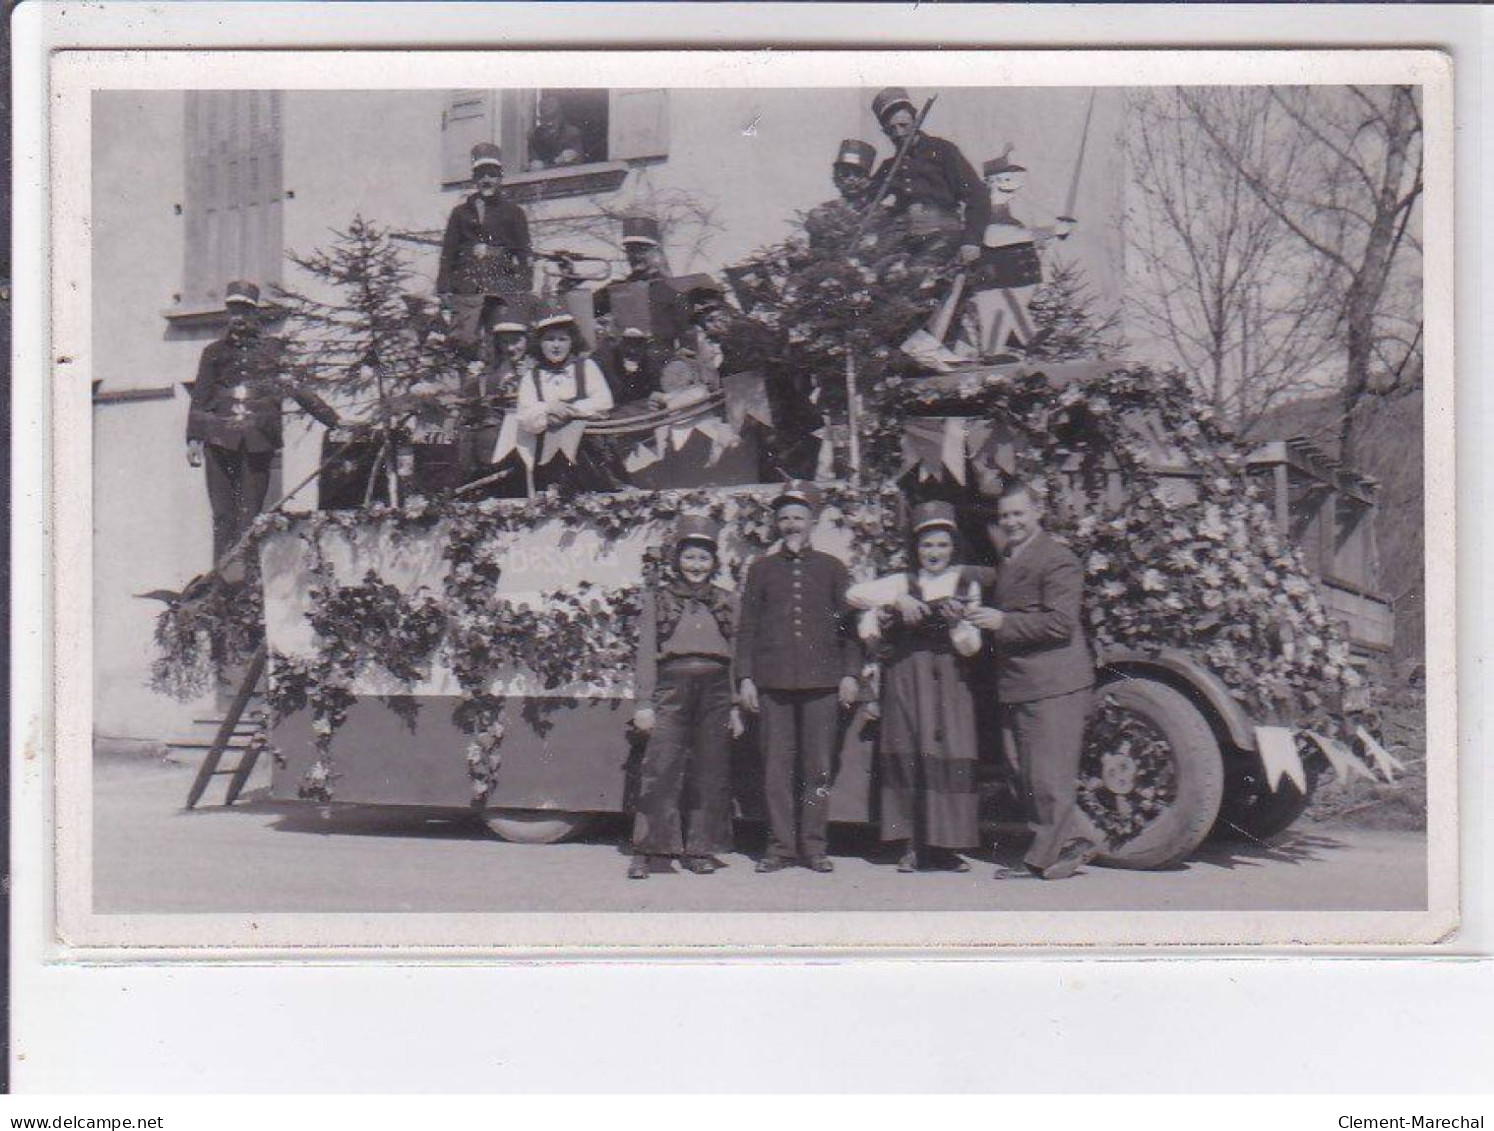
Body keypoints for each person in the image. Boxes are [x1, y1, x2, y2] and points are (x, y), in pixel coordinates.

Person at [967, 479, 1104, 881]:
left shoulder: (1058, 559)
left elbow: (1061, 624)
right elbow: (1001, 581)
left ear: (1037, 512)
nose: (1011, 522)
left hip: (1053, 682)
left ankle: (1047, 856)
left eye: (1018, 514)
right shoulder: (1011, 557)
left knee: (1045, 774)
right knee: (1021, 771)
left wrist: (1002, 622)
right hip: (1021, 682)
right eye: (1005, 515)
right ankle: (1077, 839)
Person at [847, 501, 984, 872]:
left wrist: (958, 625)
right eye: (926, 545)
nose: (934, 553)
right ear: (916, 548)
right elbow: (853, 595)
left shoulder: (966, 584)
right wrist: (896, 599)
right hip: (907, 677)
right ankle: (910, 845)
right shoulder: (902, 581)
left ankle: (946, 846)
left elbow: (972, 646)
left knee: (949, 754)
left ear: (952, 546)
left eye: (941, 544)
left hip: (950, 680)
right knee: (907, 752)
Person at [735, 481, 861, 873]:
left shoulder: (832, 568)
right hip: (773, 684)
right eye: (785, 518)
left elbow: (850, 628)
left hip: (822, 684)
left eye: (799, 517)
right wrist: (746, 678)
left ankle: (813, 846)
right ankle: (780, 847)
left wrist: (850, 674)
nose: (791, 524)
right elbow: (748, 629)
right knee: (775, 769)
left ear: (812, 522)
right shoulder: (760, 570)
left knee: (818, 769)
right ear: (776, 523)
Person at [187, 280, 339, 573]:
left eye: (245, 311)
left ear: (255, 315)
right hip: (218, 440)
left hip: (258, 440)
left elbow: (299, 389)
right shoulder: (213, 353)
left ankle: (250, 584)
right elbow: (201, 396)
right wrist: (194, 438)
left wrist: (334, 421)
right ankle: (222, 581)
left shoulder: (273, 351)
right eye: (233, 311)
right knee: (222, 516)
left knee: (251, 516)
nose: (238, 318)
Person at [628, 516, 739, 879]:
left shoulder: (727, 600)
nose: (696, 566)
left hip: (716, 689)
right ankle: (651, 849)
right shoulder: (657, 599)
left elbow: (737, 655)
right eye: (689, 558)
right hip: (671, 687)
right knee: (661, 766)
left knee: (710, 770)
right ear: (677, 560)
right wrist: (644, 702)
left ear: (714, 563)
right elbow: (646, 651)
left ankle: (700, 848)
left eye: (703, 559)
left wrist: (735, 704)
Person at [969, 147, 1075, 361]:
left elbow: (1019, 234)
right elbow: (997, 236)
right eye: (1006, 178)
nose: (1014, 184)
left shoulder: (1003, 210)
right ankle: (1023, 339)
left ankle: (999, 349)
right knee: (1001, 304)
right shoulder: (983, 209)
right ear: (992, 181)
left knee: (1001, 309)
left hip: (1010, 272)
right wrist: (1051, 230)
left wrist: (1054, 233)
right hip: (996, 272)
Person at [869, 87, 989, 264]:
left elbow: (978, 195)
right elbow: (868, 201)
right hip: (906, 244)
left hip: (945, 239)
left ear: (916, 120)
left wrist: (972, 241)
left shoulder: (943, 151)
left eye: (903, 125)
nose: (898, 133)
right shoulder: (889, 167)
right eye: (891, 129)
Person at [436, 142, 533, 349]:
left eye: (491, 175)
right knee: (464, 345)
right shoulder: (460, 213)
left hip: (502, 288)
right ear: (475, 179)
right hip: (467, 289)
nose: (486, 180)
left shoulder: (514, 213)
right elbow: (448, 252)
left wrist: (523, 288)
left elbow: (525, 252)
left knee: (500, 342)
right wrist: (444, 288)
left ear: (500, 178)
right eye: (481, 175)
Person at [514, 302, 616, 495]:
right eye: (549, 339)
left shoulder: (586, 367)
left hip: (589, 452)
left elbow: (604, 402)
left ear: (572, 341)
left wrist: (571, 411)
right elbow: (525, 416)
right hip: (548, 456)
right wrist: (548, 409)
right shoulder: (532, 377)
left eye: (562, 339)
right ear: (539, 343)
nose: (556, 345)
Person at [458, 295, 535, 498]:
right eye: (505, 342)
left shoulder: (536, 368)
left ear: (527, 339)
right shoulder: (491, 372)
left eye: (517, 341)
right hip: (499, 434)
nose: (511, 348)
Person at [804, 138, 879, 247]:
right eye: (845, 173)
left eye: (858, 174)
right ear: (835, 177)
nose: (851, 179)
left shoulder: (880, 213)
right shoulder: (823, 213)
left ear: (867, 179)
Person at [527, 94, 586, 169]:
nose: (550, 123)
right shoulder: (535, 136)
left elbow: (575, 164)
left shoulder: (572, 133)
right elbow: (534, 164)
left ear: (560, 116)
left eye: (553, 118)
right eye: (546, 119)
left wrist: (545, 165)